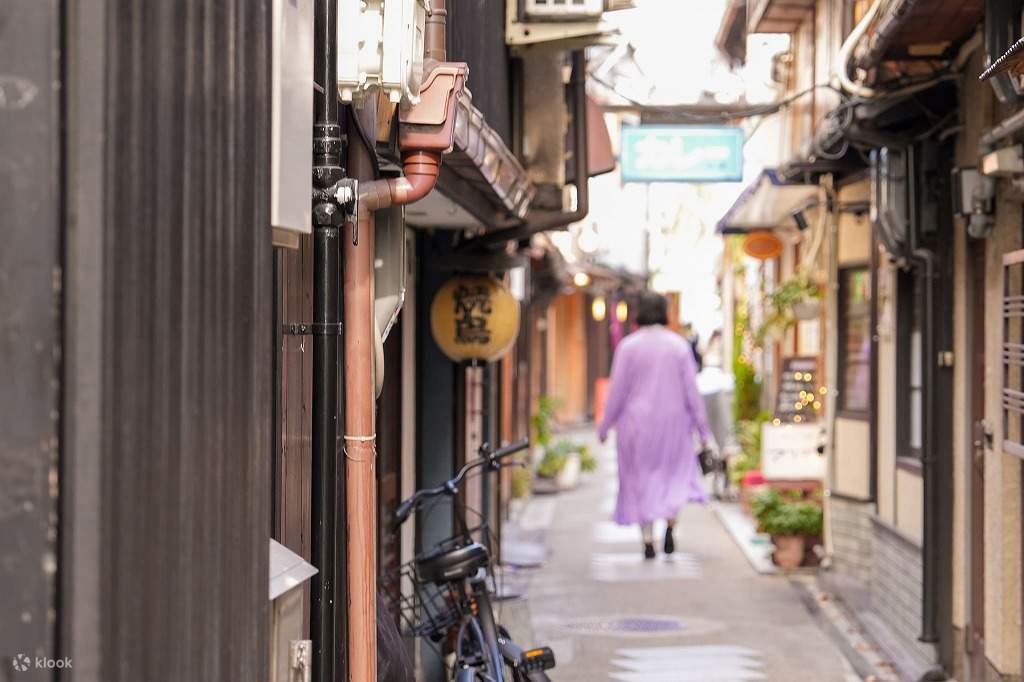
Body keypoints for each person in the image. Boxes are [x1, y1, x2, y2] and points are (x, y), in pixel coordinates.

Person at [598, 291, 716, 559]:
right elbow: (691, 392)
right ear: (664, 312)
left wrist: (605, 426)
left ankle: (647, 539)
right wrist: (703, 429)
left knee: (640, 480)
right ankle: (670, 526)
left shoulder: (628, 347)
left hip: (636, 426)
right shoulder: (678, 346)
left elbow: (617, 391)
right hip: (674, 425)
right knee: (672, 476)